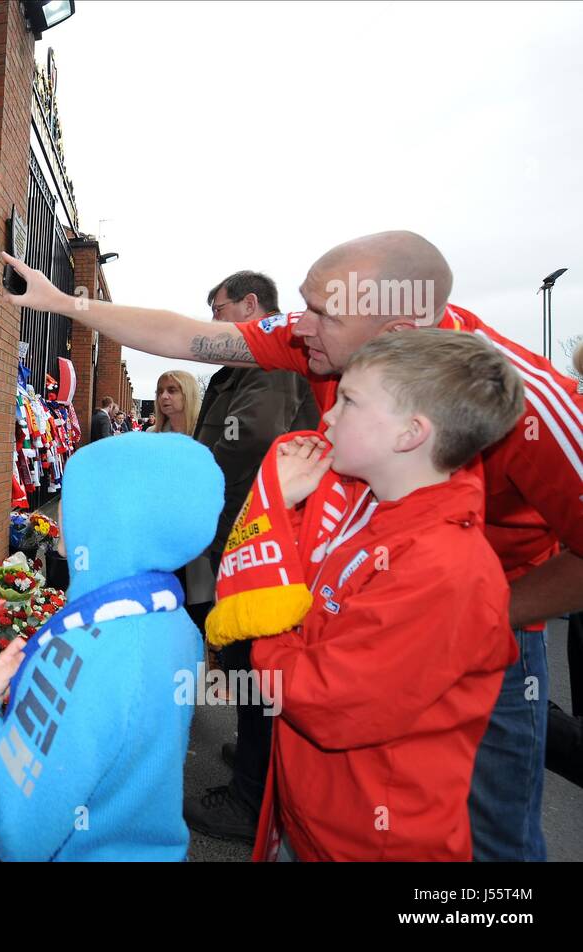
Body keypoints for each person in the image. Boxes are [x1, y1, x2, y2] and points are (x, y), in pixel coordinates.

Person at [1, 231, 583, 861]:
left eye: (322, 314)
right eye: (303, 304)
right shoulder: (325, 337)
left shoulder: (534, 407)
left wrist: (476, 616)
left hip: (482, 620)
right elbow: (187, 334)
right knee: (337, 788)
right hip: (348, 600)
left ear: (397, 330)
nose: (299, 326)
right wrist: (64, 303)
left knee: (490, 826)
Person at [224, 331, 523, 859]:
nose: (329, 415)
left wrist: (265, 632)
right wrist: (284, 508)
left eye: (349, 401)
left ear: (410, 434)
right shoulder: (367, 512)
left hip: (370, 841)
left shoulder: (446, 569)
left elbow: (325, 701)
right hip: (314, 812)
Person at [0, 431, 222, 860]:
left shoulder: (80, 653)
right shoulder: (175, 624)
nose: (61, 507)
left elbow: (13, 828)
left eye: (73, 495)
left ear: (106, 517)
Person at [184, 271, 321, 842]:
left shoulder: (272, 363)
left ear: (248, 303)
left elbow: (255, 437)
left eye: (217, 308)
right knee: (246, 667)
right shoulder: (238, 372)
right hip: (245, 539)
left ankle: (251, 801)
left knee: (255, 665)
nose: (212, 321)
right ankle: (254, 759)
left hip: (261, 544)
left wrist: (192, 482)